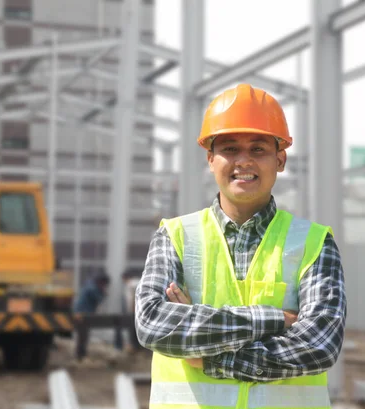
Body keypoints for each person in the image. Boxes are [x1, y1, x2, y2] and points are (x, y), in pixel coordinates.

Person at [135, 83, 347, 408]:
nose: (243, 161)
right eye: (230, 149)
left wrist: (209, 356)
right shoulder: (175, 236)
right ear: (210, 159)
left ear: (280, 159)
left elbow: (318, 345)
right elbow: (154, 325)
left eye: (258, 149)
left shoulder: (314, 242)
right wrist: (270, 320)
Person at [72, 270, 110, 360]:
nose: (104, 286)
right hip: (82, 313)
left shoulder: (90, 285)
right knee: (83, 334)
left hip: (83, 313)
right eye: (104, 284)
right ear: (101, 281)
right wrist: (103, 293)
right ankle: (80, 355)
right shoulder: (92, 287)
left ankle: (81, 354)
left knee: (83, 334)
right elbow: (98, 298)